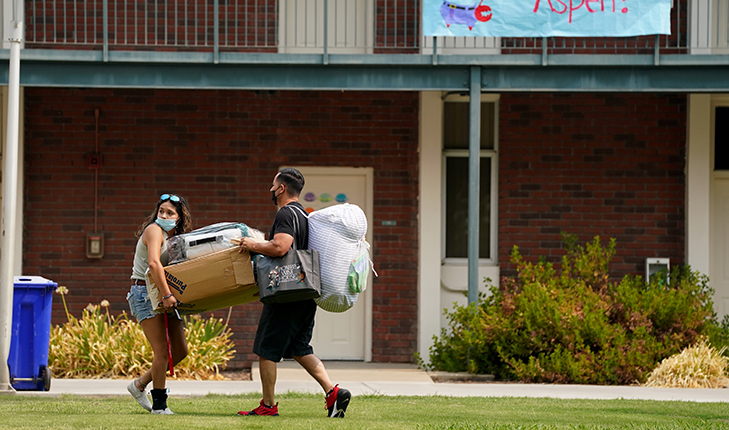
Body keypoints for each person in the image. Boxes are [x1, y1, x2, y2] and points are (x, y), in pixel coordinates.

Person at [237, 167, 351, 418]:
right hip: (305, 292)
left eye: (272, 185)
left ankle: (268, 406)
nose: (270, 189)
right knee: (300, 347)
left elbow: (280, 247)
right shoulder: (303, 214)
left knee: (267, 350)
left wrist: (252, 244)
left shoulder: (286, 213)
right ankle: (333, 392)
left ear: (281, 188)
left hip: (285, 292)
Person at [126, 193, 193, 414]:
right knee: (162, 351)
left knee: (180, 351)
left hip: (162, 293)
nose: (163, 215)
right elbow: (154, 264)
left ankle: (139, 385)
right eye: (161, 210)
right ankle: (160, 406)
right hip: (145, 293)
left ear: (179, 218)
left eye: (169, 212)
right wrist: (166, 295)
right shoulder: (154, 230)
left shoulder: (173, 237)